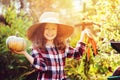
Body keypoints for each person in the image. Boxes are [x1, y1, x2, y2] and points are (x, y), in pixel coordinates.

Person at [13, 12, 93, 80]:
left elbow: (77, 54)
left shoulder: (61, 47)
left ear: (57, 31)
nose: (50, 32)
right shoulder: (37, 49)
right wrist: (25, 53)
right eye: (46, 28)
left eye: (53, 29)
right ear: (42, 30)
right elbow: (41, 67)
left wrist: (83, 35)